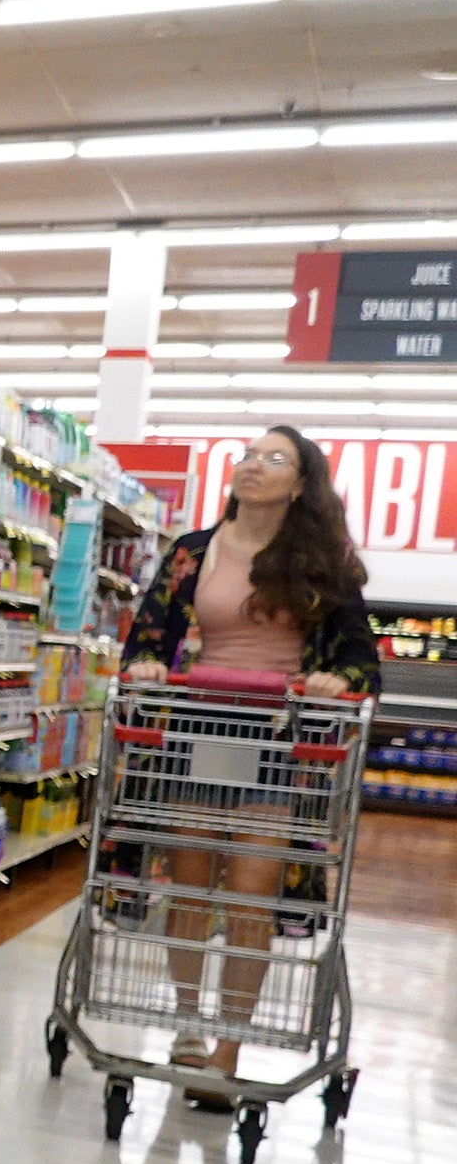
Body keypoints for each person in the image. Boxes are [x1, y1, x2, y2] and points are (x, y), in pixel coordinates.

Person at [119, 426, 380, 1104]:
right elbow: (149, 634)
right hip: (198, 725)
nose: (253, 465)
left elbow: (359, 655)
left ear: (299, 485)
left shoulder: (324, 561)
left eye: (274, 459)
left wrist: (336, 680)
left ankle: (228, 1046)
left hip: (278, 732)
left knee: (251, 894)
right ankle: (187, 1024)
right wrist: (147, 662)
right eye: (249, 454)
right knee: (190, 881)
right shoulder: (191, 553)